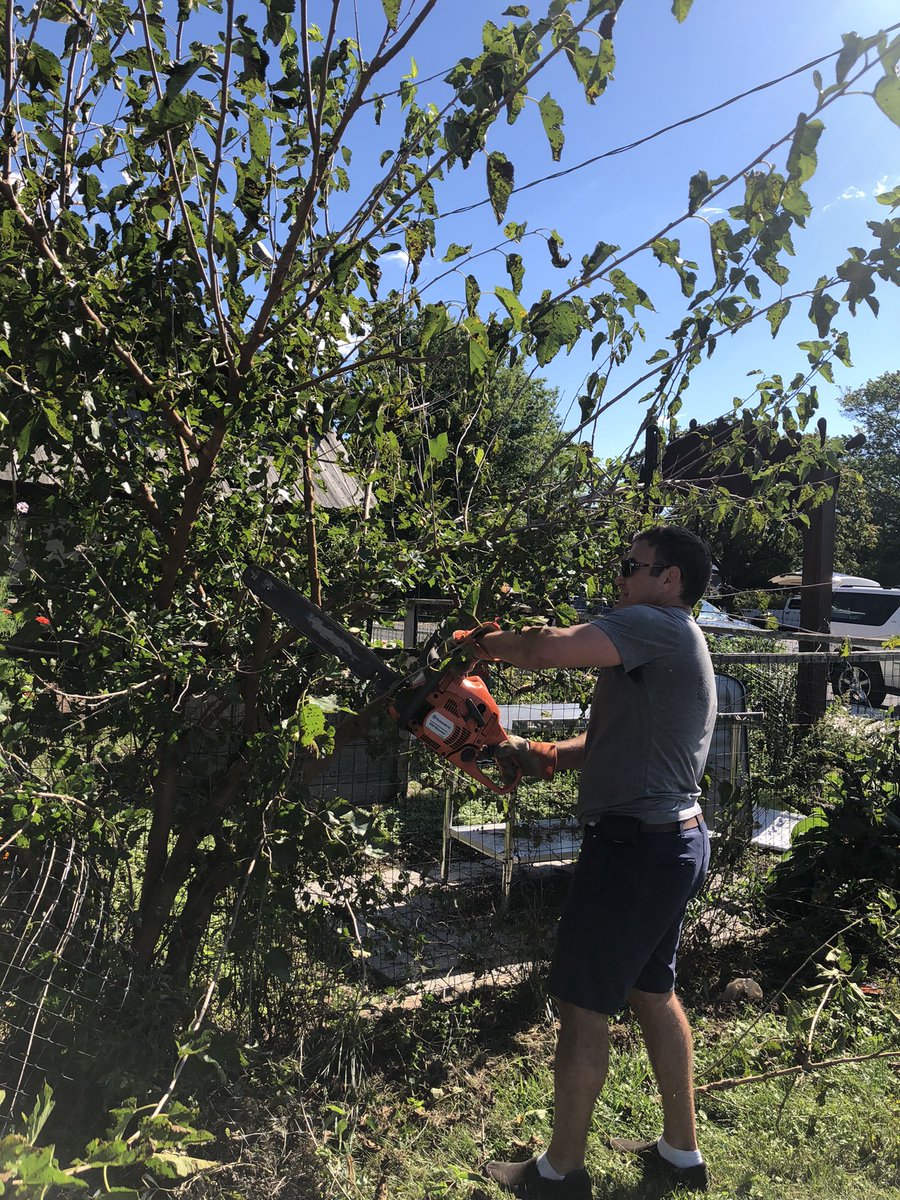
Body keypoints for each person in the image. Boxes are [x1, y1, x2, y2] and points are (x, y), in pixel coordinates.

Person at [463, 525, 717, 1199]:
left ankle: (558, 1175)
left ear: (670, 580)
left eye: (632, 566)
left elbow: (547, 650)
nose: (621, 577)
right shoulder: (666, 642)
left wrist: (475, 644)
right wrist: (554, 755)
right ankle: (680, 1153)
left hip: (635, 849)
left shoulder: (655, 624)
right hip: (671, 840)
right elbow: (625, 737)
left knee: (581, 1006)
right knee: (652, 992)